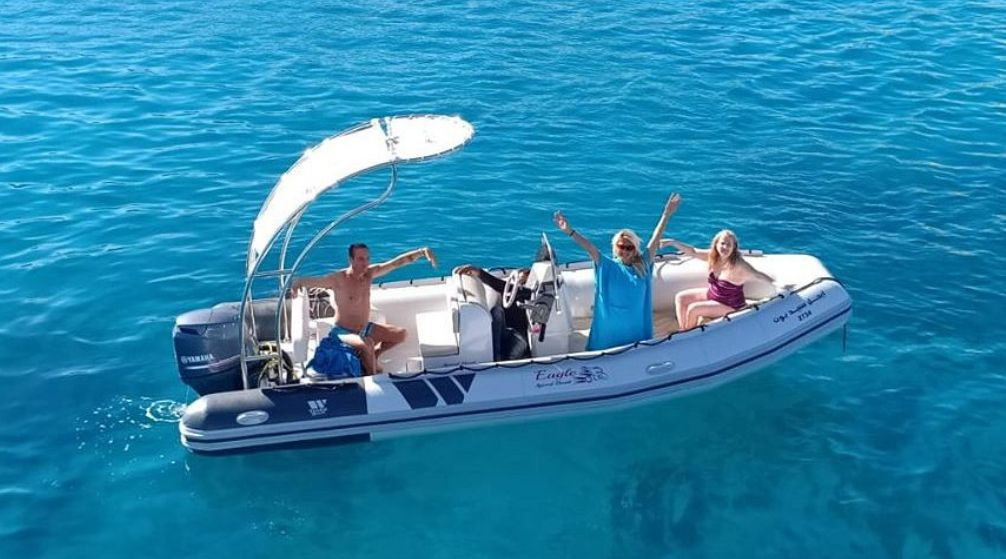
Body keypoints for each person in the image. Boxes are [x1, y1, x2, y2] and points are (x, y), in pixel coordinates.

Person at [553, 193, 681, 350]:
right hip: (609, 333)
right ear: (615, 247)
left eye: (629, 247)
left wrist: (666, 214)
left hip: (635, 331)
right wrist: (569, 232)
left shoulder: (643, 265)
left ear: (635, 248)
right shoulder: (607, 266)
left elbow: (656, 237)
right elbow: (590, 248)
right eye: (621, 247)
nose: (625, 250)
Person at [291, 243, 437, 375]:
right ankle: (373, 376)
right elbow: (314, 281)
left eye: (367, 258)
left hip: (365, 328)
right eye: (360, 259)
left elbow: (396, 263)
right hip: (342, 331)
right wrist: (297, 282)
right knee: (366, 344)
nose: (365, 263)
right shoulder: (338, 279)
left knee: (400, 334)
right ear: (351, 260)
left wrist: (422, 252)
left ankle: (375, 355)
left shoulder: (369, 274)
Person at [662, 229, 774, 331]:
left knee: (694, 308)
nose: (725, 247)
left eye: (729, 245)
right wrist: (672, 242)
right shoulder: (713, 257)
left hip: (730, 305)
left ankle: (688, 335)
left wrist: (776, 284)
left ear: (734, 247)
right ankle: (684, 329)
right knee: (681, 297)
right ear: (716, 244)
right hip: (713, 295)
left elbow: (758, 275)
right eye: (722, 243)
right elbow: (693, 252)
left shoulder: (739, 265)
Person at [453, 264, 533, 360]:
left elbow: (500, 286)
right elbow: (503, 286)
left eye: (522, 280)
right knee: (497, 312)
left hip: (520, 335)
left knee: (519, 343)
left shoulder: (527, 293)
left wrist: (480, 273)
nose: (518, 282)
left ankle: (505, 363)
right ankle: (496, 356)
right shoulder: (513, 290)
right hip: (507, 330)